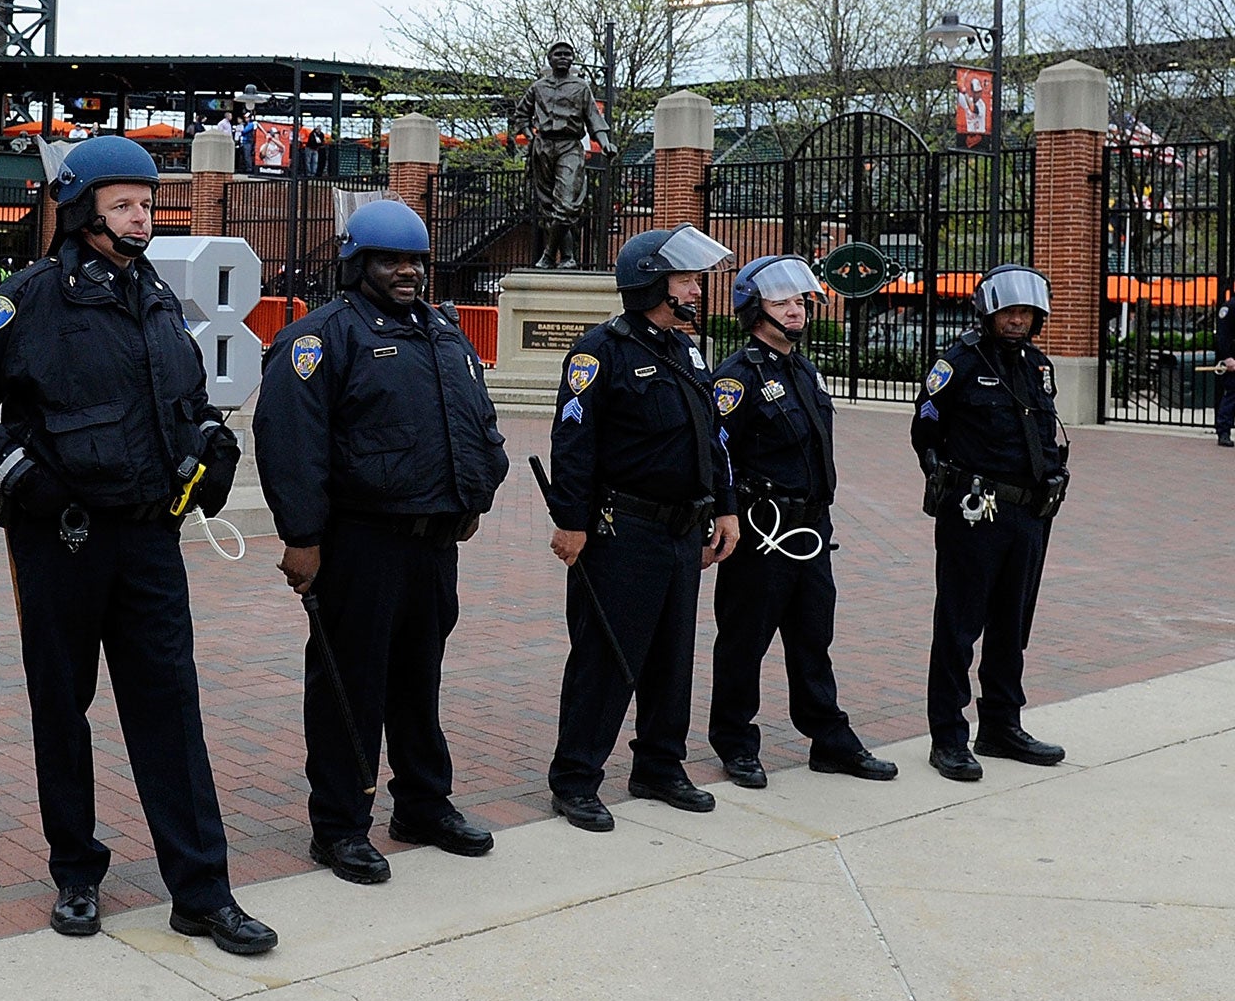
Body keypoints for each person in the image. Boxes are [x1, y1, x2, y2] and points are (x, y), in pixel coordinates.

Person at [0, 135, 275, 956]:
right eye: (124, 204)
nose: (141, 216)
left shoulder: (154, 297)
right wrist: (22, 475)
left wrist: (211, 447)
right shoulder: (29, 298)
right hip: (63, 542)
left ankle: (203, 890)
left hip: (149, 540)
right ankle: (76, 874)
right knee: (63, 710)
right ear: (82, 211)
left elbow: (187, 397)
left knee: (171, 713)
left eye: (147, 203)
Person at [256, 199, 509, 885]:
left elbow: (477, 421)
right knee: (349, 687)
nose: (408, 272)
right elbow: (290, 444)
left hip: (433, 543)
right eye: (391, 260)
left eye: (416, 261)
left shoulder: (443, 333)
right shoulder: (322, 338)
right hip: (359, 543)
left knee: (417, 681)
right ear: (357, 264)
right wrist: (302, 538)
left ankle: (423, 805)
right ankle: (339, 826)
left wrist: (472, 495)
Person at [543, 224, 740, 832]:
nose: (697, 291)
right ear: (652, 282)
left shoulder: (688, 350)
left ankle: (659, 764)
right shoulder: (600, 351)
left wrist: (725, 506)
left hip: (682, 531)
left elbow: (713, 438)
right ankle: (576, 778)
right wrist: (570, 524)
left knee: (670, 658)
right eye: (685, 280)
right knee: (605, 658)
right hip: (618, 531)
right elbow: (572, 444)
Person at [707, 257, 897, 788]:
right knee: (745, 640)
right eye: (781, 302)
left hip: (812, 530)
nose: (795, 310)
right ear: (753, 310)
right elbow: (715, 456)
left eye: (799, 301)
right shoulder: (737, 378)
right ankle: (735, 741)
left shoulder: (802, 368)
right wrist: (721, 519)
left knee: (813, 637)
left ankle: (828, 738)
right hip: (762, 534)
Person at [911, 265, 1070, 781]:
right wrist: (944, 477)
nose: (1018, 320)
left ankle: (1001, 725)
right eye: (1009, 312)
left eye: (1026, 313)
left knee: (1012, 623)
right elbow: (926, 427)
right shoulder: (956, 364)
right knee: (959, 624)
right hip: (976, 513)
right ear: (988, 312)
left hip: (1029, 513)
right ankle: (948, 736)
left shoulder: (1036, 366)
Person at [510, 41, 614, 268]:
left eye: (568, 54)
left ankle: (548, 256)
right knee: (550, 208)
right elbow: (521, 116)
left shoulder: (581, 87)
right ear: (550, 58)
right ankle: (567, 258)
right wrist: (530, 136)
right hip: (543, 147)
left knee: (567, 205)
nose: (564, 58)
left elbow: (594, 119)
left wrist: (605, 143)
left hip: (569, 146)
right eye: (559, 54)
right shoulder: (538, 87)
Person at [1214, 279, 1234, 449]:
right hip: (1233, 359)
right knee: (1232, 395)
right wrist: (1228, 357)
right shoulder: (1230, 307)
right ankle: (1224, 431)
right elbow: (1223, 335)